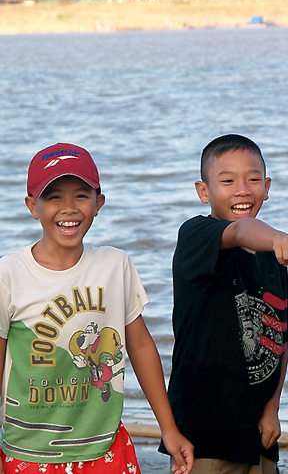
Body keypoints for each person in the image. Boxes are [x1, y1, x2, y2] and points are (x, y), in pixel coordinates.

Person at [0, 143, 194, 474]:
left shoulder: (114, 265)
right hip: (29, 450)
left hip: (105, 446)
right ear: (33, 206)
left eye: (81, 195)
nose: (69, 208)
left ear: (98, 203)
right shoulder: (9, 274)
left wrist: (169, 428)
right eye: (54, 197)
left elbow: (140, 347)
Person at [161, 134, 288, 474]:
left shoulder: (273, 255)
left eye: (253, 179)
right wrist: (280, 239)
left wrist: (272, 409)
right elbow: (241, 230)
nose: (243, 190)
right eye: (228, 181)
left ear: (267, 186)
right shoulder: (196, 235)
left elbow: (279, 339)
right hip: (204, 432)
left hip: (259, 433)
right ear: (204, 191)